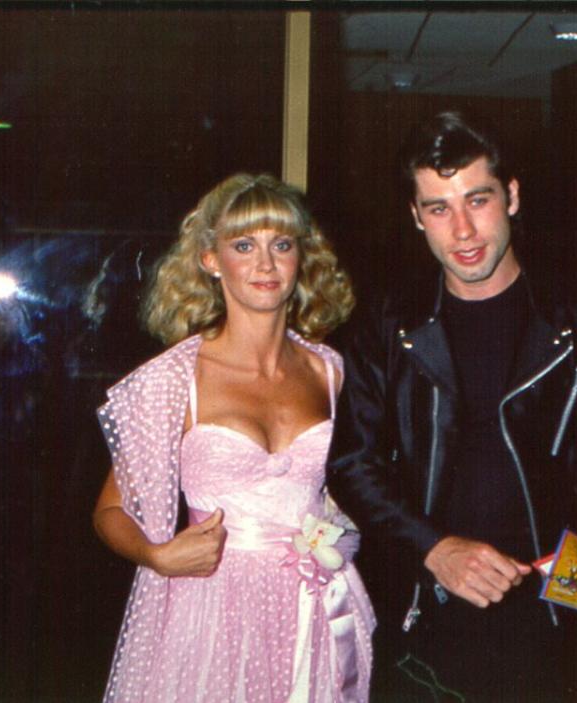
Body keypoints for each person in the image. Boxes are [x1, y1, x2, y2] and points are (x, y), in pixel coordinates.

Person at [326, 112, 577, 701]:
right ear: (416, 217)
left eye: (477, 200)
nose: (462, 230)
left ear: (511, 196)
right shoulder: (386, 327)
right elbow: (352, 463)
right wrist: (432, 546)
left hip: (563, 607)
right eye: (438, 208)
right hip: (428, 610)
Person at [93, 173, 375, 702]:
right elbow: (110, 511)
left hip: (313, 609)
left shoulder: (331, 372)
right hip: (209, 609)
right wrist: (157, 555)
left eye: (281, 245)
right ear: (211, 259)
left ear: (301, 258)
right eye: (244, 245)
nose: (265, 264)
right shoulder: (175, 379)